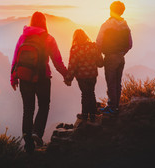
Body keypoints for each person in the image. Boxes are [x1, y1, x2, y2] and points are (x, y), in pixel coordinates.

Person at [10, 11, 67, 153]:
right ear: (44, 23)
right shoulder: (48, 38)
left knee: (27, 110)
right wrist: (67, 75)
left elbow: (15, 58)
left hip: (24, 78)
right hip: (42, 78)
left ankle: (28, 143)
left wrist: (13, 77)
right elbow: (57, 61)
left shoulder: (23, 37)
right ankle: (37, 132)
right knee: (43, 106)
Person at [96, 1, 132, 115]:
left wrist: (99, 55)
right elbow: (130, 44)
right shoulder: (126, 25)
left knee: (111, 82)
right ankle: (116, 106)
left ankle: (111, 107)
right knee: (118, 82)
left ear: (111, 10)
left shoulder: (106, 25)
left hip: (110, 56)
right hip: (121, 57)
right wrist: (122, 53)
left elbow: (98, 42)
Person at [64, 29, 104, 122]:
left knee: (85, 94)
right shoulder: (93, 46)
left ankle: (85, 116)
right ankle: (93, 115)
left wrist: (68, 79)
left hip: (81, 77)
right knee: (91, 92)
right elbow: (100, 63)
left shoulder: (75, 49)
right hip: (93, 75)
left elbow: (72, 65)